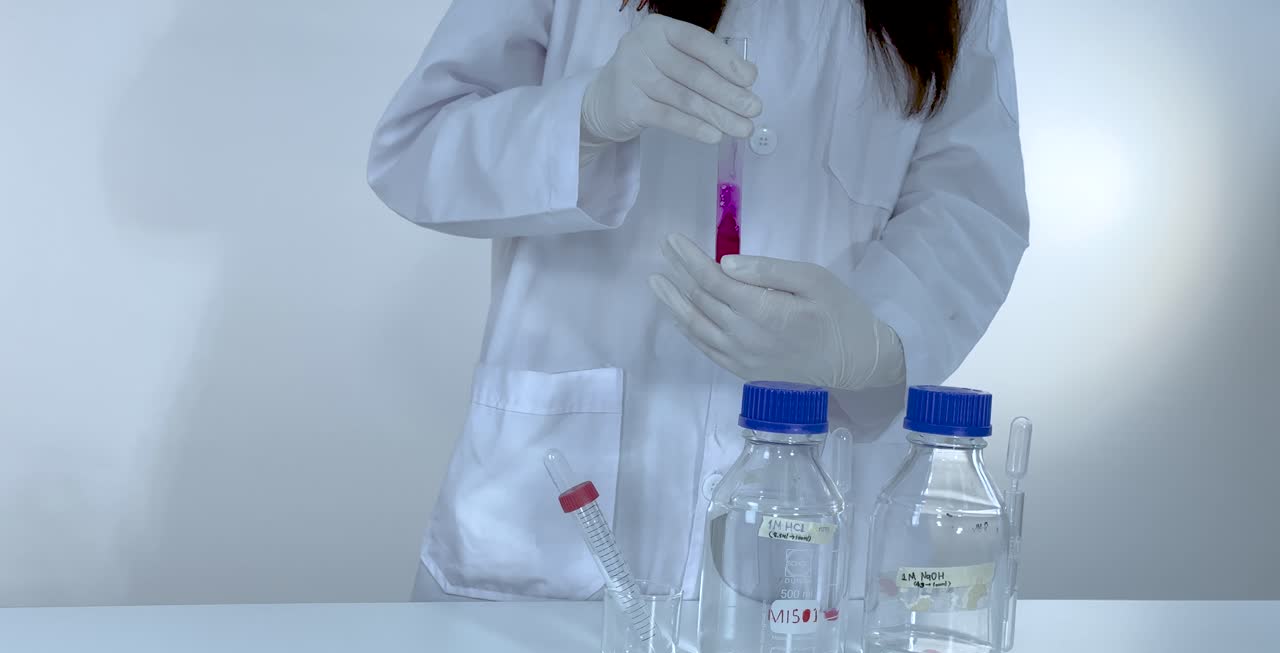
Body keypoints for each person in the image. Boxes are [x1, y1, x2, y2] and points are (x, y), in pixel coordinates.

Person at [368, 0, 1028, 602]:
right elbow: (416, 148)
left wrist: (879, 339)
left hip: (805, 534)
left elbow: (967, 202)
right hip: (551, 529)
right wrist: (586, 114)